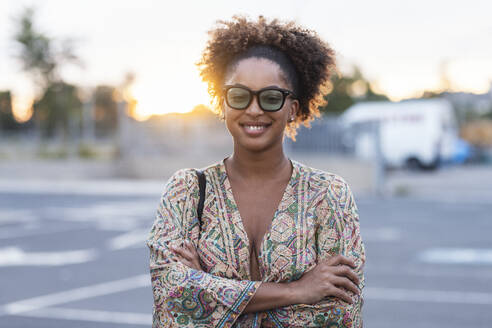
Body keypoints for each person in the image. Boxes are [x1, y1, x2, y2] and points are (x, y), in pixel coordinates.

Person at [146, 16, 366, 327]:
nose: (253, 109)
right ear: (222, 103)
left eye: (271, 97)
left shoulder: (327, 194)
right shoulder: (186, 191)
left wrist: (208, 291)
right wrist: (298, 290)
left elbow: (339, 313)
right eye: (239, 95)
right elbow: (172, 299)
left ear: (293, 108)